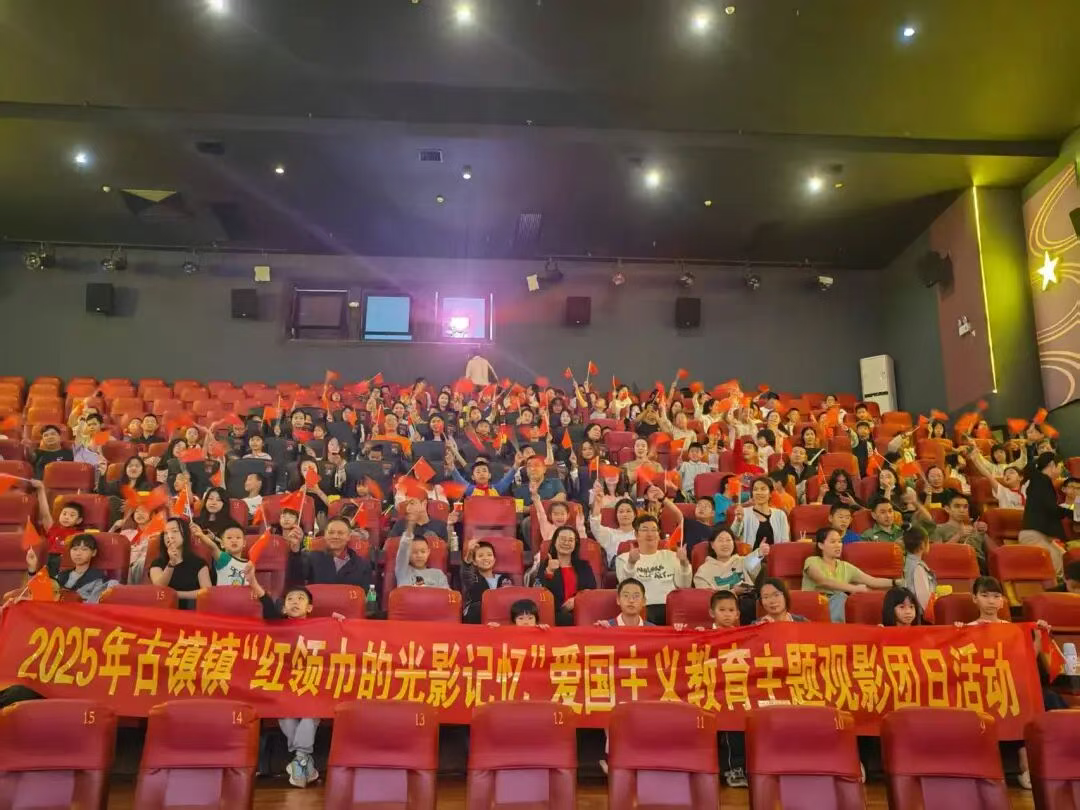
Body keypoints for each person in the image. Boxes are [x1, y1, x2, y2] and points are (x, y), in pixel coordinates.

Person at [244, 568, 323, 788]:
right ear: (284, 607)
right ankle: (304, 761)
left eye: (300, 599)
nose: (295, 602)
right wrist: (253, 582)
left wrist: (342, 624)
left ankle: (300, 760)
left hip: (311, 684)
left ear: (309, 608)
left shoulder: (322, 627)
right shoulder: (277, 625)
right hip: (283, 685)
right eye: (290, 599)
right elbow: (267, 605)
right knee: (284, 711)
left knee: (312, 712)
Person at [802, 527, 900, 622]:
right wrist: (854, 588)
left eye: (839, 541)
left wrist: (896, 582)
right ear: (820, 545)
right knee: (840, 596)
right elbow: (822, 581)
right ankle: (836, 630)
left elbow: (872, 581)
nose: (838, 545)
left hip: (838, 607)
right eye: (833, 542)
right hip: (814, 606)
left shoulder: (845, 566)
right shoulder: (812, 561)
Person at [614, 514, 692, 624]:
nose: (650, 534)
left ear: (659, 534)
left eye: (654, 530)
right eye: (645, 529)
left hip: (671, 609)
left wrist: (684, 564)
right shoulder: (624, 558)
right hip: (642, 609)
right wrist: (631, 563)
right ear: (636, 534)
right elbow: (625, 586)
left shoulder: (672, 556)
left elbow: (684, 585)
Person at [25, 533, 117, 603]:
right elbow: (40, 593)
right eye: (75, 549)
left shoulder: (99, 579)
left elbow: (94, 606)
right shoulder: (61, 575)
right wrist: (32, 568)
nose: (78, 553)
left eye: (84, 549)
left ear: (93, 552)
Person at [285, 516, 373, 590]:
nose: (335, 536)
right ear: (325, 535)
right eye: (331, 532)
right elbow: (296, 581)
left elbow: (365, 597)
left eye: (340, 533)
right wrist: (295, 550)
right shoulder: (312, 557)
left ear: (349, 537)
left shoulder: (362, 565)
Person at [534, 526, 597, 625]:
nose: (566, 543)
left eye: (570, 540)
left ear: (575, 544)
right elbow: (538, 592)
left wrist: (577, 600)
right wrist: (549, 572)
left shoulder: (584, 566)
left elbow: (592, 590)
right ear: (555, 542)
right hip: (554, 614)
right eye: (563, 539)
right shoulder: (546, 565)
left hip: (581, 611)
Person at [1020, 452, 1069, 579]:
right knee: (1056, 569)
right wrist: (1071, 513)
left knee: (1065, 558)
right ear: (1052, 465)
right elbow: (1052, 508)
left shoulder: (1042, 482)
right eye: (1060, 466)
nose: (1061, 470)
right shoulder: (1040, 480)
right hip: (1034, 535)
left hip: (1043, 536)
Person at [148, 518, 213, 608]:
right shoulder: (158, 563)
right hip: (164, 610)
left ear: (185, 535)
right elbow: (159, 588)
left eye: (174, 531)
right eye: (166, 533)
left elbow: (207, 592)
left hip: (191, 610)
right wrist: (171, 564)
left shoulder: (199, 563)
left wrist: (176, 594)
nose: (170, 535)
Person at [30, 480, 83, 576]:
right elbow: (45, 514)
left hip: (67, 563)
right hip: (50, 561)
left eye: (72, 515)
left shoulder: (79, 534)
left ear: (79, 520)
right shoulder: (54, 529)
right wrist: (41, 489)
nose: (66, 517)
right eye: (64, 514)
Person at [931, 492, 988, 570]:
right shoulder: (938, 528)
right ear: (947, 509)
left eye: (965, 507)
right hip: (953, 566)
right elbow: (937, 554)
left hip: (978, 567)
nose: (962, 510)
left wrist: (984, 532)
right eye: (957, 506)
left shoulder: (976, 528)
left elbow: (994, 553)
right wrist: (958, 535)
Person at [461, 539, 514, 623]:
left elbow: (508, 597)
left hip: (500, 616)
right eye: (480, 556)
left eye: (489, 555)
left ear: (494, 559)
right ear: (474, 562)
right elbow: (466, 570)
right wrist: (470, 553)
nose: (485, 558)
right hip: (476, 616)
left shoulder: (505, 578)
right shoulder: (472, 578)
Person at [732, 476, 790, 549]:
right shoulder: (744, 513)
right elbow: (733, 536)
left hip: (775, 555)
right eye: (755, 489)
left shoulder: (780, 515)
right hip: (751, 555)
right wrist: (738, 521)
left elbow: (785, 542)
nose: (759, 493)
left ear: (770, 494)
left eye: (763, 489)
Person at [589, 494, 637, 567]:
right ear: (616, 515)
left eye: (628, 511)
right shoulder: (609, 533)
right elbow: (595, 526)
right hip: (618, 567)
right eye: (621, 511)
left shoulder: (641, 533)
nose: (625, 514)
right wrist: (597, 506)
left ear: (635, 515)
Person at [902, 527, 937, 613]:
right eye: (928, 541)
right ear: (922, 544)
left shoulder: (906, 561)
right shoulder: (918, 567)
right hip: (919, 615)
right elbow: (924, 599)